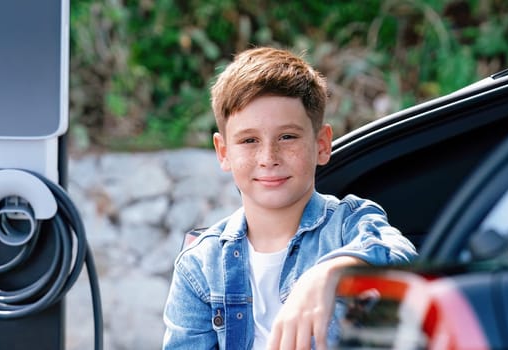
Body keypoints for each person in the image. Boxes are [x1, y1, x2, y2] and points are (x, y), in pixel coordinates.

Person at [162, 47, 417, 349]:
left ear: (322, 144)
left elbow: (402, 256)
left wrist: (329, 274)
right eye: (249, 140)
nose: (268, 157)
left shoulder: (350, 223)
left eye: (287, 137)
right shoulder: (200, 267)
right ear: (224, 152)